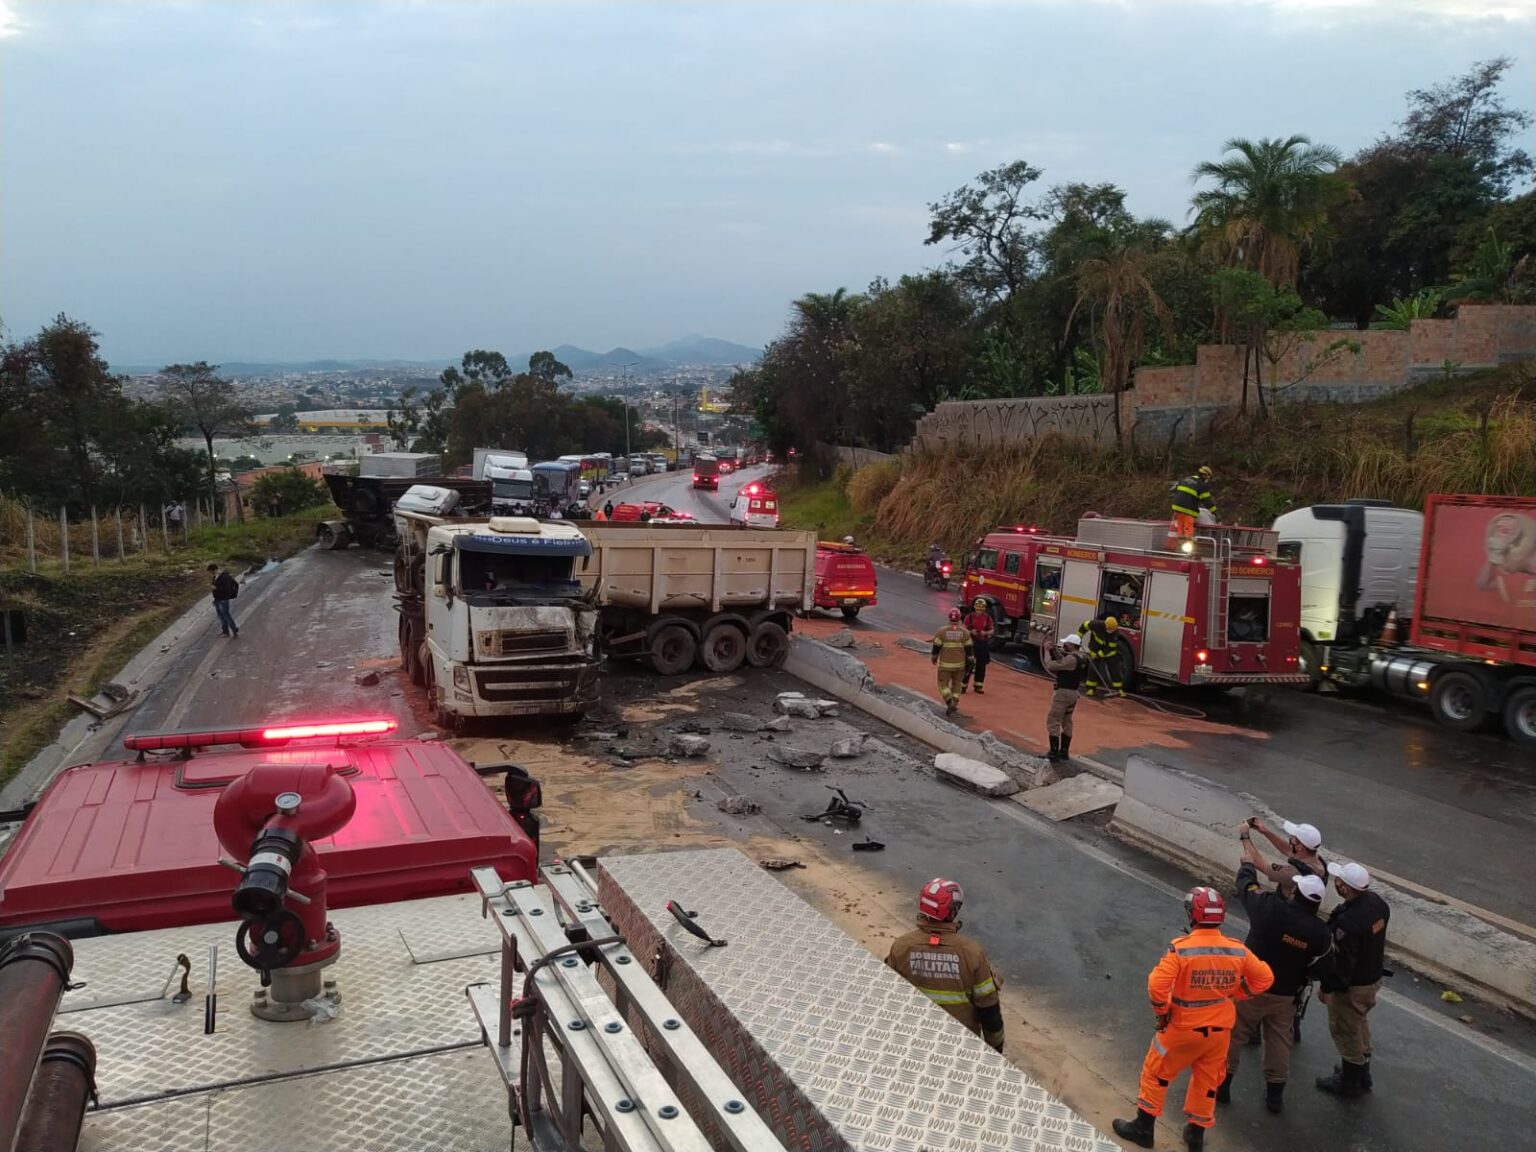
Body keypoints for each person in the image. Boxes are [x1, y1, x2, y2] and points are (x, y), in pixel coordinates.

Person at [1113, 888, 1273, 1151]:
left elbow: (1156, 985)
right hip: (1219, 1033)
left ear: (1192, 915)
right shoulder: (1237, 950)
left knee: (1156, 1073)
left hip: (1181, 1028)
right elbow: (1265, 978)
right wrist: (1236, 993)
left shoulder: (1181, 949)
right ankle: (1195, 1136)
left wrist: (1162, 1011)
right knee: (1207, 1082)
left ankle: (1144, 1128)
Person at [1220, 829, 1335, 1114]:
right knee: (1279, 1043)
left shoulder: (1270, 909)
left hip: (1250, 989)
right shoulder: (1321, 934)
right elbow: (1321, 968)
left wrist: (1247, 863)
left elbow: (1247, 888)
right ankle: (1274, 1095)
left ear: (1295, 892)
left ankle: (1221, 1086)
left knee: (1233, 1036)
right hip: (1285, 996)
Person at [886, 878, 1005, 1052]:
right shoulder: (971, 953)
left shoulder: (901, 947)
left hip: (913, 1040)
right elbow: (989, 1012)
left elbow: (888, 996)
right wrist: (996, 1051)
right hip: (961, 1045)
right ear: (953, 911)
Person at [1315, 862, 1390, 1098]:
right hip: (1372, 978)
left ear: (1346, 889)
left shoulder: (1348, 924)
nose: (1336, 884)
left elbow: (1343, 964)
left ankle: (1349, 1081)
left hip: (1354, 987)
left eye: (1339, 882)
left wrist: (1327, 987)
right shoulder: (1377, 904)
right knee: (1359, 1025)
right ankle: (1361, 1072)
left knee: (1345, 1030)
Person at [1243, 817, 1327, 899]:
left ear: (1300, 847)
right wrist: (1265, 831)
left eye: (1293, 838)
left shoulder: (1294, 872)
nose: (1290, 838)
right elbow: (1289, 850)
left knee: (1251, 894)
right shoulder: (1318, 860)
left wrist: (1244, 835)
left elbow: (1259, 863)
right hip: (1300, 908)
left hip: (1283, 908)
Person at [1042, 633, 1084, 761]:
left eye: (1066, 643)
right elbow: (1063, 662)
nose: (1064, 645)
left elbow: (1051, 665)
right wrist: (1054, 650)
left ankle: (1053, 752)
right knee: (1067, 721)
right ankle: (1064, 751)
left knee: (1053, 720)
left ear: (1071, 645)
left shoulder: (1071, 659)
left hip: (1063, 694)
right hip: (1073, 694)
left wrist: (1047, 651)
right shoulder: (1080, 657)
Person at [931, 608, 973, 716]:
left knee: (943, 685)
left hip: (945, 665)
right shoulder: (965, 632)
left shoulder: (942, 631)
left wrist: (934, 658)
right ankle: (955, 702)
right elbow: (969, 650)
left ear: (949, 617)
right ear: (960, 618)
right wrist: (970, 663)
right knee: (957, 685)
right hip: (960, 665)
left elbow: (936, 647)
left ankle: (949, 702)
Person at [1170, 466, 1217, 545]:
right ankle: (1188, 548)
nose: (1207, 480)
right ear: (1205, 476)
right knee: (1188, 530)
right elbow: (1207, 501)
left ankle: (1180, 546)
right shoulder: (1201, 485)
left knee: (1180, 529)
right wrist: (1214, 512)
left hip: (1177, 508)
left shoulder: (1185, 479)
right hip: (1188, 510)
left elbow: (1174, 490)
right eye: (1208, 478)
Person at [1077, 615, 1123, 697]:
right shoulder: (1096, 625)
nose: (1111, 631)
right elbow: (1084, 626)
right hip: (1095, 649)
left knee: (1115, 669)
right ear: (1106, 625)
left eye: (1113, 629)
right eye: (1110, 629)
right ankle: (1091, 689)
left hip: (1109, 652)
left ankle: (1118, 689)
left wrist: (1099, 655)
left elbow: (1110, 648)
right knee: (1093, 669)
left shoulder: (1115, 633)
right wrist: (1078, 638)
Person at [961, 599, 995, 694]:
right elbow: (963, 628)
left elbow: (992, 630)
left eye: (981, 608)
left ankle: (978, 686)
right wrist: (971, 632)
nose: (979, 610)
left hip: (982, 644)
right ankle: (963, 686)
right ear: (975, 607)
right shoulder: (969, 617)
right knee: (968, 665)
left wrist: (985, 632)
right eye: (978, 607)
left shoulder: (987, 618)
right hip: (971, 644)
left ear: (984, 608)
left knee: (981, 665)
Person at [207, 563, 240, 638]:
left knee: (226, 615)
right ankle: (225, 632)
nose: (210, 574)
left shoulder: (224, 577)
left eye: (211, 572)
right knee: (221, 616)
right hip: (218, 599)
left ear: (215, 570)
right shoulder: (216, 576)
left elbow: (226, 589)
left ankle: (234, 630)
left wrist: (215, 588)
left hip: (223, 599)